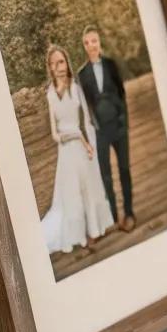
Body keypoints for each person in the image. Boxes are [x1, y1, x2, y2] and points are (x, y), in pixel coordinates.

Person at [40, 44, 114, 256]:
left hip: (84, 148)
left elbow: (86, 121)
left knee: (88, 186)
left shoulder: (76, 88)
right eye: (54, 63)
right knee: (71, 191)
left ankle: (93, 229)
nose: (58, 66)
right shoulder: (51, 95)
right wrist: (76, 137)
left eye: (61, 61)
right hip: (67, 148)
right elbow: (55, 134)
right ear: (50, 68)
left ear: (67, 63)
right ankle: (78, 234)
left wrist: (89, 144)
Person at [77, 26, 136, 232]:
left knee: (124, 169)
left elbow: (121, 92)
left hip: (118, 126)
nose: (91, 45)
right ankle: (113, 215)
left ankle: (129, 213)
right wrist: (93, 127)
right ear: (84, 46)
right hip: (100, 131)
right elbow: (86, 105)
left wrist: (124, 120)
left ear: (99, 42)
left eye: (94, 41)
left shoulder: (111, 65)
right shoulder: (82, 74)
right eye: (87, 42)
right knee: (106, 175)